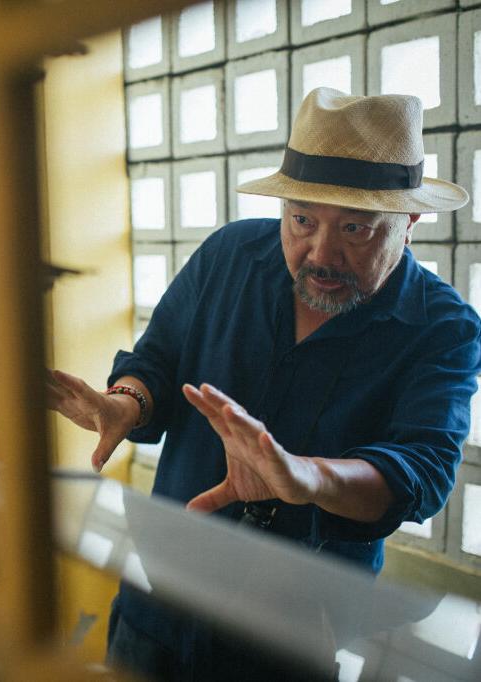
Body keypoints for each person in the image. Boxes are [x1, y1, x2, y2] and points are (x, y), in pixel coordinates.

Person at [47, 88, 481, 680]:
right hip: (159, 601)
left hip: (291, 635)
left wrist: (308, 477)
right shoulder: (228, 255)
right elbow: (158, 362)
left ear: (410, 222)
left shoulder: (443, 328)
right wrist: (126, 404)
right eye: (301, 219)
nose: (320, 253)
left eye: (355, 229)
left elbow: (423, 471)